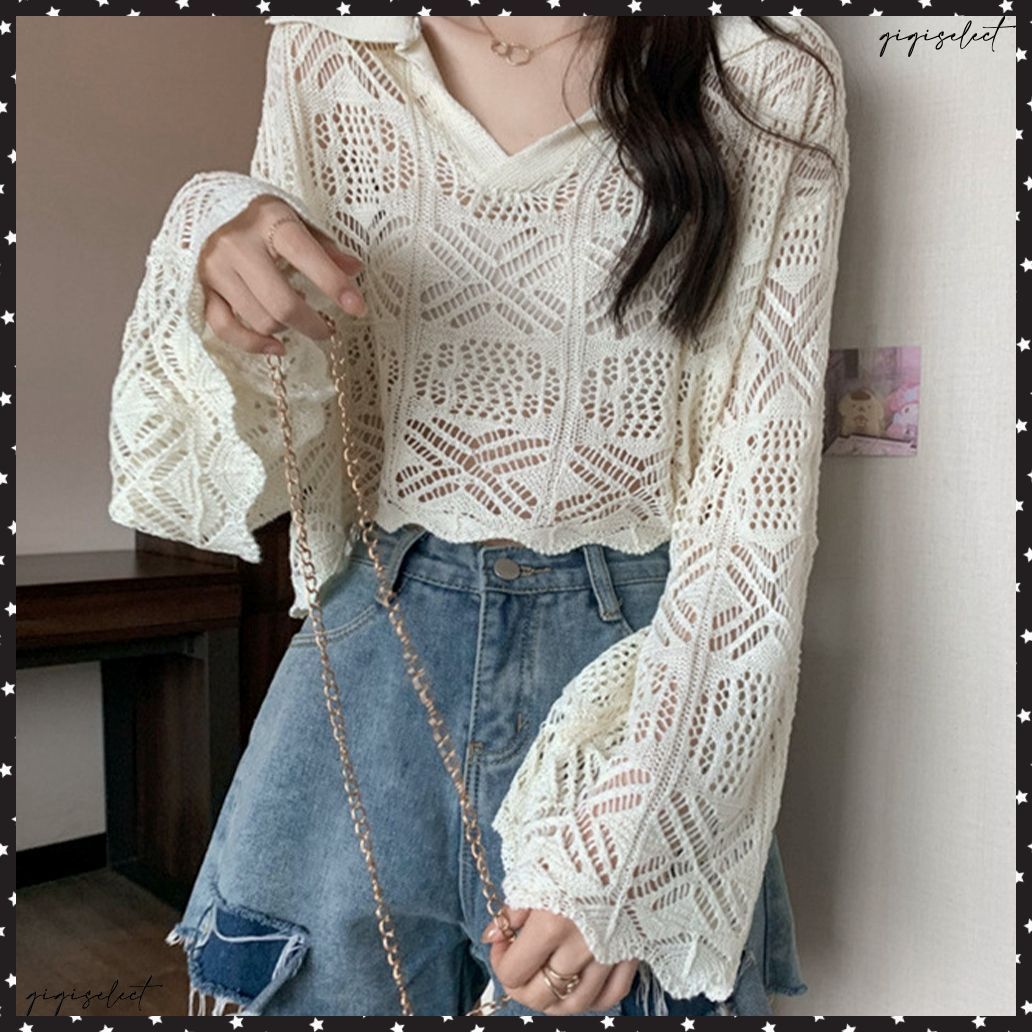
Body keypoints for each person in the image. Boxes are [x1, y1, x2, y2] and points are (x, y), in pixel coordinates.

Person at [107, 12, 850, 1018]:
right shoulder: (331, 48)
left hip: (636, 678)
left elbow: (757, 501)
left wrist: (637, 832)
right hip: (377, 643)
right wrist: (214, 230)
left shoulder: (763, 70)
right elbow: (302, 428)